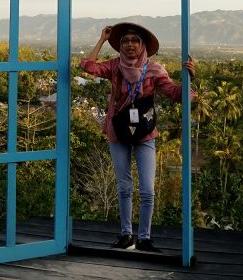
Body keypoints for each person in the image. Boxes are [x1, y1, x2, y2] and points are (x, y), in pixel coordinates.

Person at [81, 22, 196, 253]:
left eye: (135, 41)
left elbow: (175, 94)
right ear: (120, 46)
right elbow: (87, 66)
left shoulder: (154, 69)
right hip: (119, 131)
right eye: (125, 41)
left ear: (143, 45)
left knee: (147, 190)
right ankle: (125, 235)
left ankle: (144, 237)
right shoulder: (114, 67)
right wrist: (102, 39)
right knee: (124, 187)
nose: (130, 45)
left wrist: (190, 78)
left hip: (144, 133)